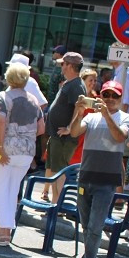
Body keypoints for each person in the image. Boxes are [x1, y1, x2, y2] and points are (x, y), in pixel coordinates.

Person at [65, 79, 129, 258]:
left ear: (121, 99)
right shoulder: (92, 117)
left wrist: (107, 116)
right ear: (100, 96)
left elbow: (120, 137)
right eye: (107, 95)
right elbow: (74, 131)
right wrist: (78, 113)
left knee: (96, 225)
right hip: (86, 176)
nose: (110, 99)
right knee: (86, 224)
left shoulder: (126, 117)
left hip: (106, 179)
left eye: (115, 96)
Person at [0, 60, 43, 246]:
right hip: (26, 152)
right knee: (11, 191)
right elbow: (41, 128)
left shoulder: (3, 96)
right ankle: (6, 232)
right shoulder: (33, 100)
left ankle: (1, 233)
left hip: (5, 150)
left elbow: (0, 121)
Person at [44, 51, 85, 202]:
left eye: (63, 64)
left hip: (64, 138)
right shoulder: (71, 83)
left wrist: (69, 127)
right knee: (55, 170)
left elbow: (79, 108)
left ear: (70, 66)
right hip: (57, 136)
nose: (61, 67)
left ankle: (56, 205)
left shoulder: (77, 86)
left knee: (59, 172)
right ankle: (55, 204)